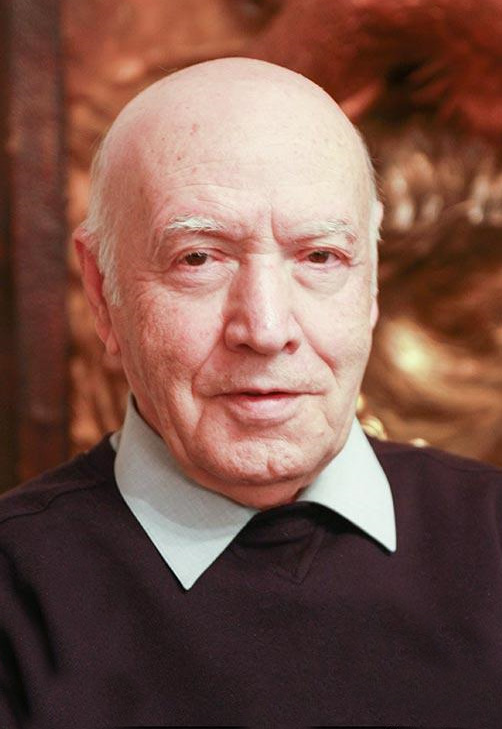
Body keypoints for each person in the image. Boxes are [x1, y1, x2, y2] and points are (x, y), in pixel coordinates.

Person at [1, 58, 501, 729]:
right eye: (198, 258)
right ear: (101, 292)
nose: (265, 330)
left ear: (372, 282)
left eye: (320, 257)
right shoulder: (15, 594)